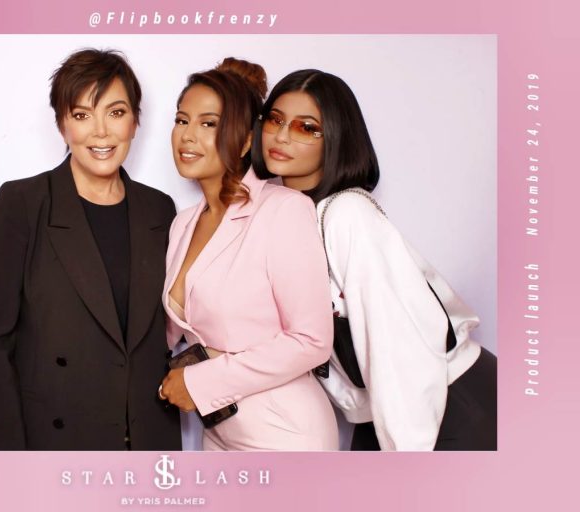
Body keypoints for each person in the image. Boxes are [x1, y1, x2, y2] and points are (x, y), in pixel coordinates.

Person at [253, 69, 497, 451]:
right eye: (275, 120)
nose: (282, 136)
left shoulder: (347, 214)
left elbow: (399, 344)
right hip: (383, 411)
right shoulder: (286, 219)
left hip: (446, 402)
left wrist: (405, 452)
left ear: (336, 138)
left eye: (306, 128)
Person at [0, 49, 181, 450]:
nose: (101, 132)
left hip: (148, 440)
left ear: (135, 121)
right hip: (55, 443)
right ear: (61, 125)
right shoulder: (23, 204)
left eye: (115, 113)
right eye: (82, 115)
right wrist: (5, 459)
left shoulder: (159, 209)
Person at [158, 58, 338, 451]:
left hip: (286, 435)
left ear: (244, 141)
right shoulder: (182, 224)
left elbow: (312, 340)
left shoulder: (283, 210)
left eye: (208, 124)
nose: (188, 136)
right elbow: (168, 334)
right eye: (182, 120)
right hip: (218, 432)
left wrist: (201, 382)